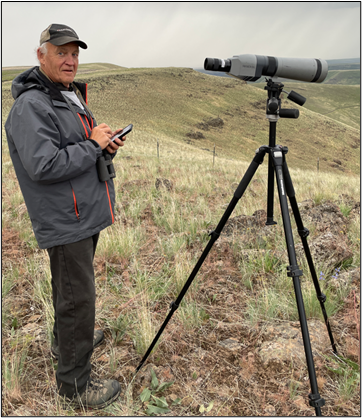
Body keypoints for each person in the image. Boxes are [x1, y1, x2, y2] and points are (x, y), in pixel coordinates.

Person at [5, 23, 125, 409]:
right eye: (61, 52)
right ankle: (74, 386)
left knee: (71, 291)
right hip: (65, 217)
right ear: (41, 56)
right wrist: (92, 146)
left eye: (74, 53)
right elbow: (43, 164)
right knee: (79, 299)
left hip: (81, 210)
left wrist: (103, 144)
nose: (70, 60)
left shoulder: (65, 94)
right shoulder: (31, 105)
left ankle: (66, 343)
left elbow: (76, 146)